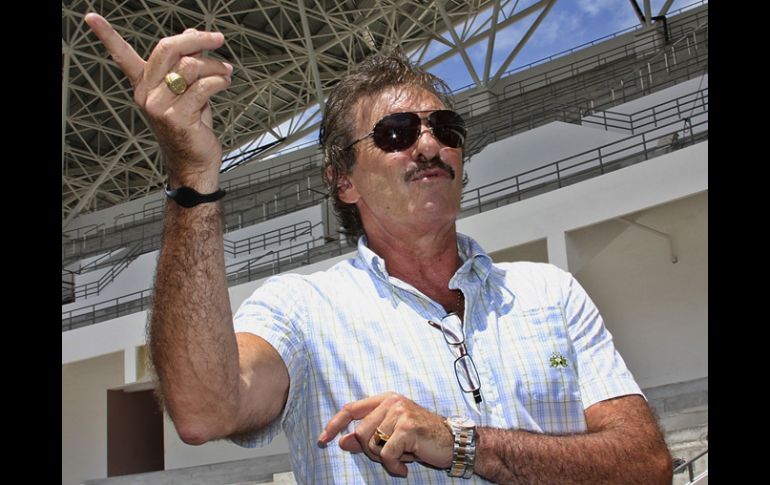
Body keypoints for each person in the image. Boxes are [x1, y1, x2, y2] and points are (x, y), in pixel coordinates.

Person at [84, 12, 673, 484]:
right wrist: (192, 174)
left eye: (445, 128)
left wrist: (464, 445)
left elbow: (647, 467)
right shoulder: (302, 309)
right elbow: (204, 409)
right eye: (396, 133)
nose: (428, 145)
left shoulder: (550, 291)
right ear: (343, 180)